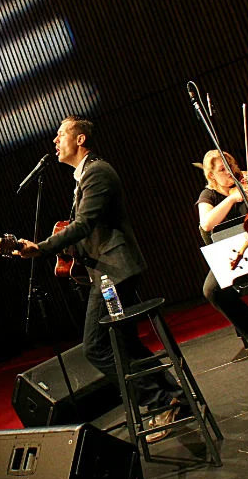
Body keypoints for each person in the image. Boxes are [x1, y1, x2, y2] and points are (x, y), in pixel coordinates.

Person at [13, 115, 183, 440]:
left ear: (80, 139)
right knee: (125, 342)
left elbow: (84, 225)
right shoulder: (83, 178)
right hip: (110, 272)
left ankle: (161, 401)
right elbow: (87, 232)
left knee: (95, 346)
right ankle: (174, 398)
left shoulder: (97, 172)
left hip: (113, 273)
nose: (55, 141)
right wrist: (64, 253)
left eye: (61, 134)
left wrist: (42, 247)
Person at [195, 149, 248, 350]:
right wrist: (231, 199)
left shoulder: (246, 183)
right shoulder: (208, 195)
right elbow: (206, 224)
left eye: (230, 166)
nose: (229, 172)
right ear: (212, 175)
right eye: (222, 169)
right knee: (211, 290)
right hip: (231, 254)